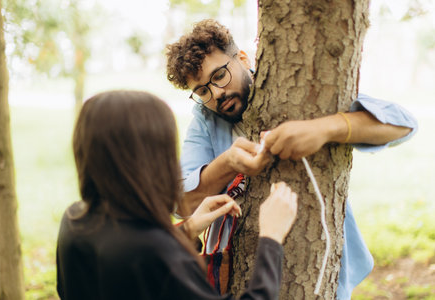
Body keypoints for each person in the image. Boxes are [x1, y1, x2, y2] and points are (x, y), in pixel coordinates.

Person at [165, 19, 418, 299]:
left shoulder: (291, 92)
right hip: (241, 275)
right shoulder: (205, 118)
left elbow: (403, 124)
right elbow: (183, 203)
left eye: (219, 76)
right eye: (202, 91)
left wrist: (325, 128)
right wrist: (227, 164)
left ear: (243, 58)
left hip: (319, 265)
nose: (216, 94)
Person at [56, 90, 299, 300]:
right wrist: (271, 237)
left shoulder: (75, 220)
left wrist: (187, 229)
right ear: (151, 159)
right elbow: (148, 258)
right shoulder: (158, 253)